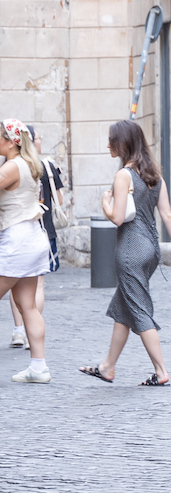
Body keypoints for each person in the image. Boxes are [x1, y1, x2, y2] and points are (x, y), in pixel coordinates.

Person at [80, 119, 171, 386]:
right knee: (123, 308)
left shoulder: (123, 175)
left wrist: (105, 203)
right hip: (149, 250)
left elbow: (118, 218)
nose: (108, 145)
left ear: (123, 144)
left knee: (138, 310)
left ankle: (161, 371)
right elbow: (168, 215)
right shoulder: (155, 176)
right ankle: (108, 367)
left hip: (129, 250)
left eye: (112, 140)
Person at [0, 119, 52, 382]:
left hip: (17, 240)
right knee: (27, 305)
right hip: (33, 238)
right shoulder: (31, 164)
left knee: (26, 305)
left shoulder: (11, 167)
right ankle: (38, 366)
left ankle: (38, 367)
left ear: (11, 141)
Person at [9, 125, 64, 350]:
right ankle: (34, 347)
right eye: (38, 137)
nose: (40, 141)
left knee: (15, 283)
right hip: (42, 231)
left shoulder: (10, 167)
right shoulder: (47, 165)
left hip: (15, 232)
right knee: (36, 286)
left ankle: (18, 331)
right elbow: (59, 200)